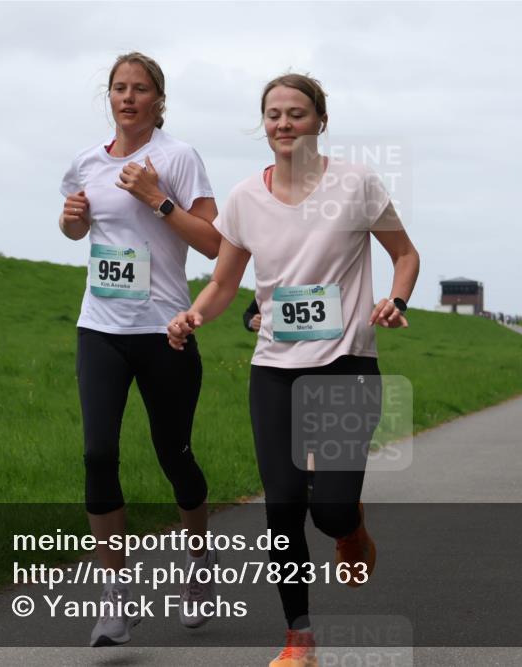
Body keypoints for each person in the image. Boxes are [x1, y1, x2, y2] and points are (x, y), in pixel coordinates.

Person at [166, 73, 420, 667]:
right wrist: (194, 315)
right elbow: (225, 282)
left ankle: (350, 523)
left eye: (297, 113)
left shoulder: (356, 183)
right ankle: (298, 637)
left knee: (328, 511)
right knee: (281, 506)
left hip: (346, 365)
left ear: (320, 121)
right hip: (275, 368)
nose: (284, 124)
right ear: (264, 124)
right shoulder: (243, 199)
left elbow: (404, 254)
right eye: (274, 114)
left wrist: (397, 300)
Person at [58, 52, 222, 646]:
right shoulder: (85, 162)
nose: (128, 98)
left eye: (140, 89)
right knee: (98, 455)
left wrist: (158, 197)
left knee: (174, 455)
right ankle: (116, 596)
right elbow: (80, 229)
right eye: (119, 88)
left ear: (159, 99)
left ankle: (199, 568)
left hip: (164, 329)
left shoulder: (177, 158)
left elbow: (212, 243)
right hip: (100, 326)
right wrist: (72, 219)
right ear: (109, 97)